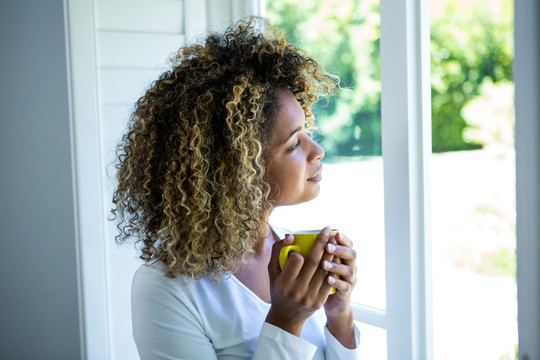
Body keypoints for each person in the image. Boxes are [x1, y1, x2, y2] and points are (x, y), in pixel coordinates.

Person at [112, 17, 360, 359]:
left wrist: (339, 315)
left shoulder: (294, 254)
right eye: (293, 145)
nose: (317, 151)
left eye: (307, 132)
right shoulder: (166, 287)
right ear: (239, 169)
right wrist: (287, 320)